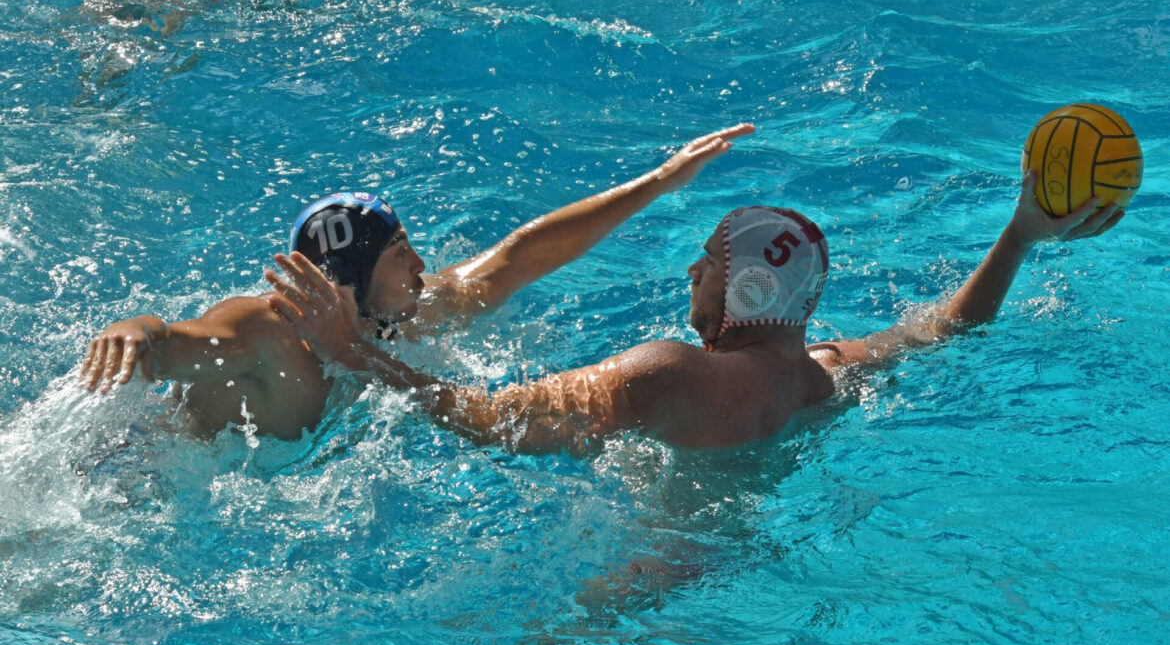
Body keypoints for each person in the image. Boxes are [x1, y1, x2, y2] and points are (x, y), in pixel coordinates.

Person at [266, 167, 1125, 454]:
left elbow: (488, 419)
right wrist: (1019, 236)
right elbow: (946, 328)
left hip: (653, 577)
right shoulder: (825, 379)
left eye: (709, 262)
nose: (690, 269)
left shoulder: (666, 375)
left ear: (743, 293)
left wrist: (355, 354)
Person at [79, 124, 754, 440]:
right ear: (348, 282)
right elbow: (174, 345)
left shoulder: (408, 314)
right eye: (401, 253)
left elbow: (522, 255)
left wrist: (660, 182)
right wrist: (136, 329)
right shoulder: (265, 332)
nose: (423, 268)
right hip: (140, 486)